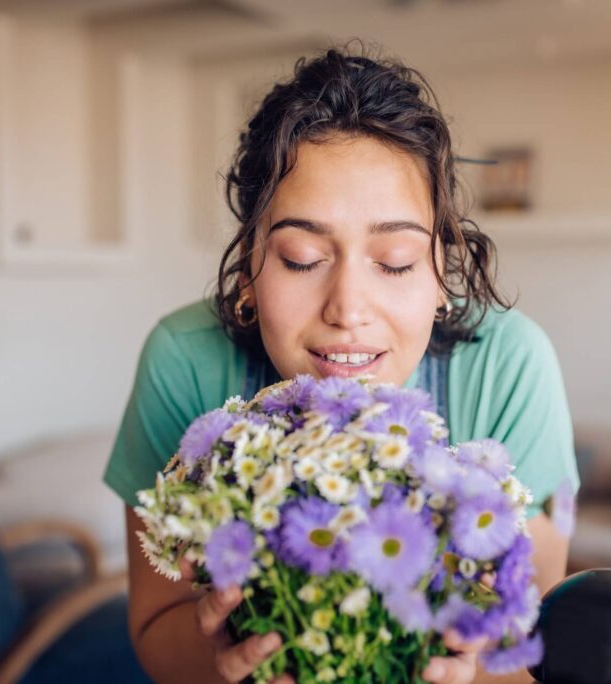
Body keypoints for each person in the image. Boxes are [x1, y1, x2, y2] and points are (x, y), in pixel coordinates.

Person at [103, 41, 579, 684]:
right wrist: (224, 661)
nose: (349, 309)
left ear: (443, 272)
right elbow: (155, 620)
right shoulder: (184, 362)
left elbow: (535, 641)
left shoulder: (511, 368)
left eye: (396, 263)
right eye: (302, 257)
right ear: (249, 268)